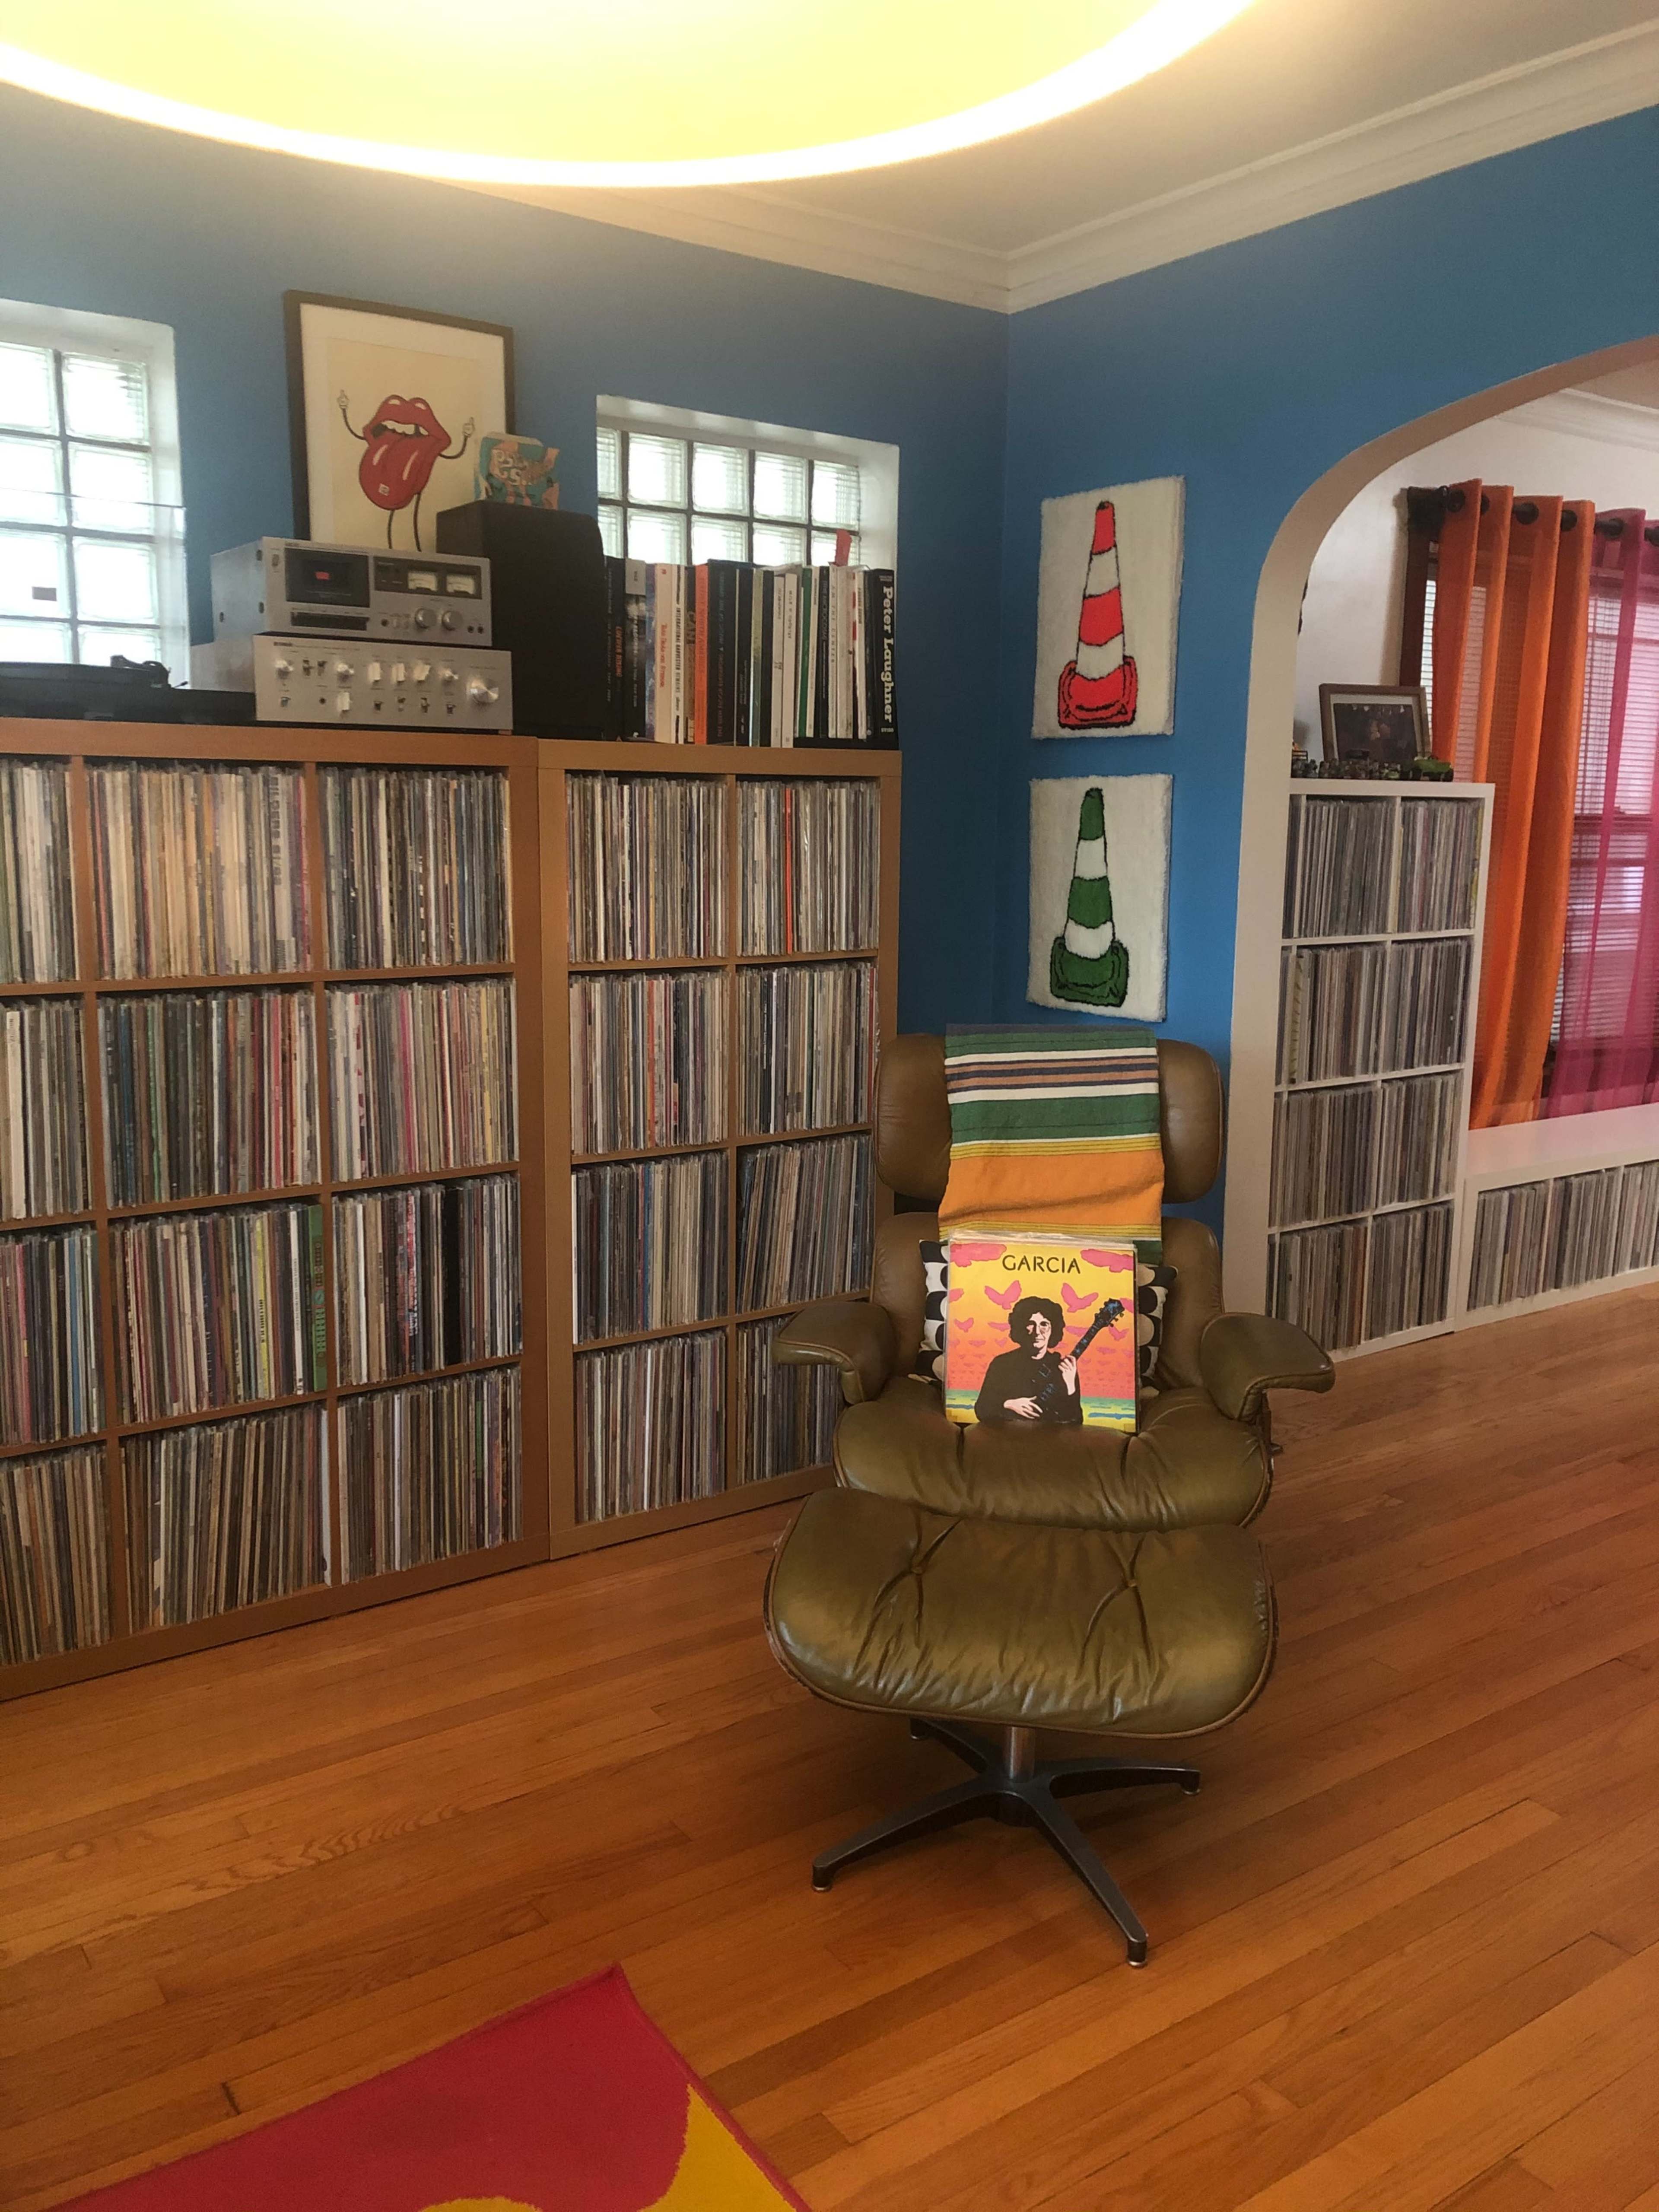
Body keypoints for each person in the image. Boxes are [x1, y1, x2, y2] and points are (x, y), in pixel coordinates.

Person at [974, 1296, 1083, 1425]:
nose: (1037, 1332)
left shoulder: (1064, 1368)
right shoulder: (1002, 1364)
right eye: (1031, 1324)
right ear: (1021, 1327)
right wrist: (1008, 1404)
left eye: (1044, 1324)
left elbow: (1076, 1421)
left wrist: (1070, 1386)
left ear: (1053, 1329)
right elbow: (981, 1409)